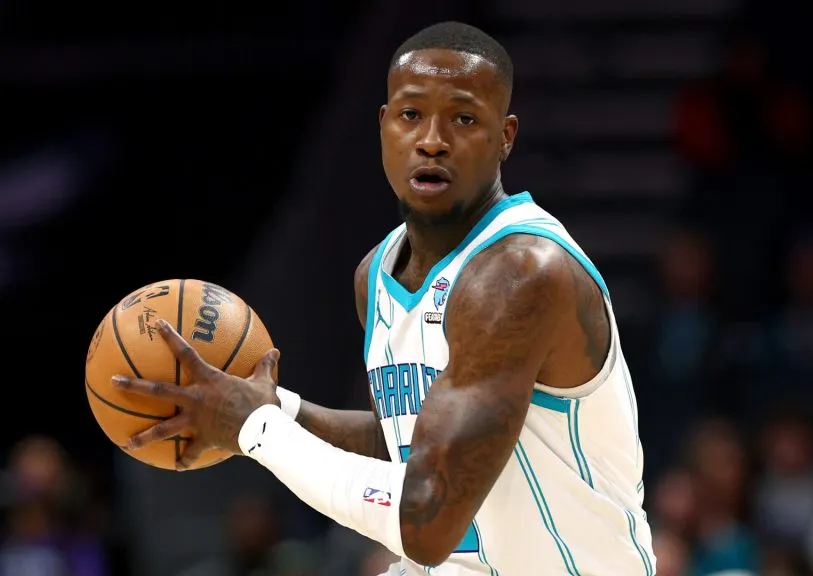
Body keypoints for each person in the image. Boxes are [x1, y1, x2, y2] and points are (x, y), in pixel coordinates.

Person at [111, 21, 655, 575]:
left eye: (464, 118)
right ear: (383, 124)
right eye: (411, 114)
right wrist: (280, 408)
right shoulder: (376, 271)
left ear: (506, 136)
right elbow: (406, 443)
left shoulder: (520, 274)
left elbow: (425, 520)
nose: (432, 139)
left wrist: (256, 429)